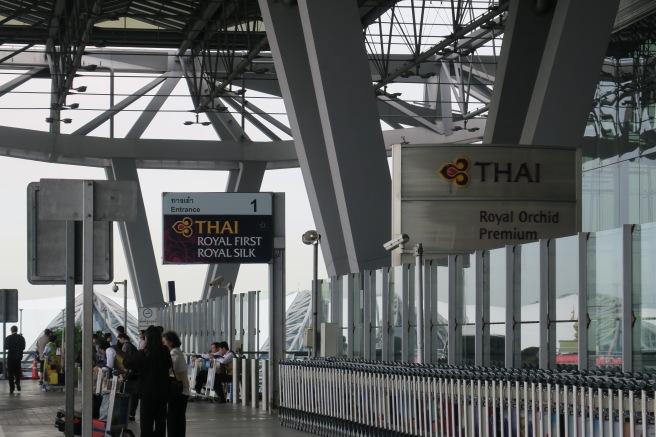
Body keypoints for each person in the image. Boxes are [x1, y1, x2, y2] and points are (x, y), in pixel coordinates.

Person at [124, 325, 171, 437]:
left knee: (146, 423)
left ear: (147, 338)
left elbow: (127, 363)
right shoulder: (165, 350)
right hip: (163, 392)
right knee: (161, 423)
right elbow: (169, 365)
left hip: (148, 392)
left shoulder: (145, 352)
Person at [163, 331, 189, 437]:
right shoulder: (178, 352)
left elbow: (168, 370)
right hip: (182, 390)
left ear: (170, 342)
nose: (163, 344)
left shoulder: (174, 353)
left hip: (179, 391)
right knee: (179, 418)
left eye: (164, 342)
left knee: (173, 418)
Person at [5, 325, 25, 394]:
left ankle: (11, 388)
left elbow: (6, 347)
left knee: (10, 373)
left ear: (11, 330)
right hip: (18, 357)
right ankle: (18, 383)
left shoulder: (8, 338)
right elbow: (23, 347)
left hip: (10, 357)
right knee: (17, 371)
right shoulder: (21, 337)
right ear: (17, 330)